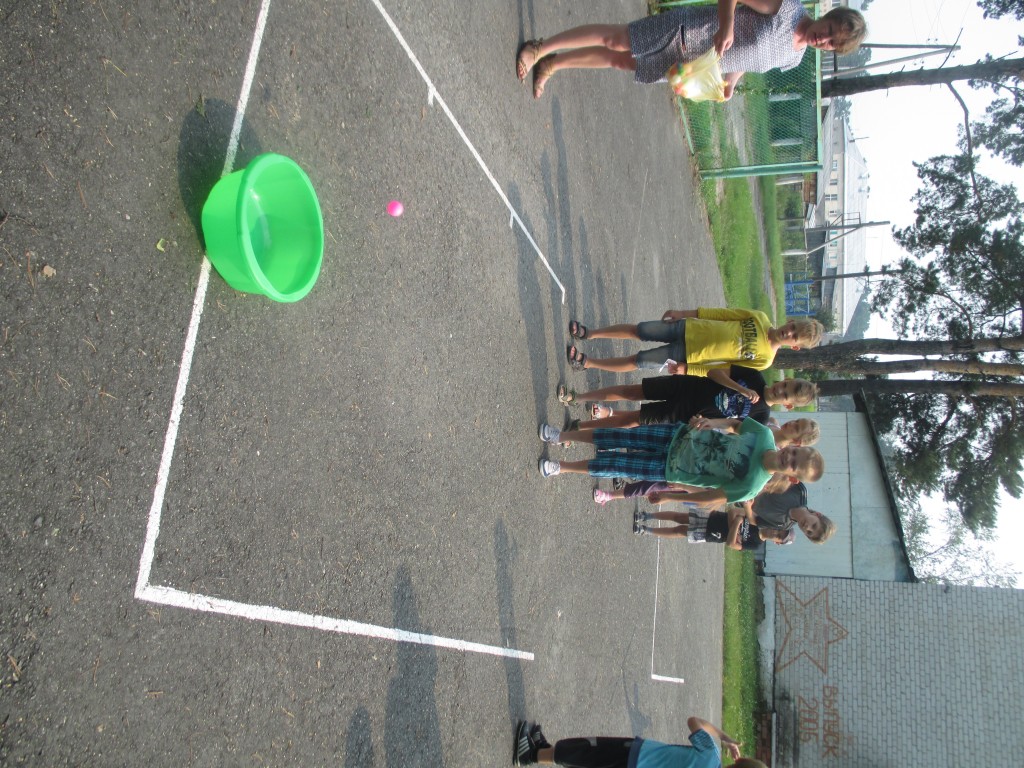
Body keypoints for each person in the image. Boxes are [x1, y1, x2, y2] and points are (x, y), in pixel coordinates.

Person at [515, 1, 866, 99]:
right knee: (618, 40)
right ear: (828, 16)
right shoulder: (787, 9)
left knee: (621, 62)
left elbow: (751, 57)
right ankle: (540, 48)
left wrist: (731, 82)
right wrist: (727, 24)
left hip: (691, 66)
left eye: (831, 44)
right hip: (688, 30)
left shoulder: (795, 57)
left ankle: (554, 65)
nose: (824, 40)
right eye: (829, 31)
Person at [537, 418, 825, 507]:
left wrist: (672, 493)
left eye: (794, 465)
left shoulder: (752, 485)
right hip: (679, 435)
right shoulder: (763, 435)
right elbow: (736, 425)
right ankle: (560, 436)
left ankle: (560, 467)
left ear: (792, 476)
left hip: (671, 469)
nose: (789, 458)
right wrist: (712, 422)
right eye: (794, 454)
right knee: (616, 435)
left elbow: (710, 496)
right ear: (794, 447)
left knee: (615, 465)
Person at [563, 311, 823, 383]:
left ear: (795, 346)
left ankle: (588, 363)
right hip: (688, 328)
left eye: (794, 338)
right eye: (793, 328)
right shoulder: (760, 318)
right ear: (791, 321)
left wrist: (688, 369)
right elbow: (722, 314)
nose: (789, 333)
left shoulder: (764, 360)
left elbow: (724, 369)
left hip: (688, 355)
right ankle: (591, 334)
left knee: (638, 361)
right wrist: (685, 313)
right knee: (639, 330)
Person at [556, 368, 818, 431]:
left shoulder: (761, 417)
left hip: (686, 412)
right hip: (686, 386)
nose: (781, 389)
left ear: (787, 405)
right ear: (785, 379)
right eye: (785, 384)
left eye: (786, 394)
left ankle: (581, 427)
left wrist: (709, 423)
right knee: (632, 392)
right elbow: (714, 373)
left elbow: (733, 427)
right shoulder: (755, 376)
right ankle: (578, 397)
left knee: (634, 420)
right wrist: (738, 388)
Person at [512, 717, 766, 767]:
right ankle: (543, 750)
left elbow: (693, 722)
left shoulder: (711, 755)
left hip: (636, 756)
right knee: (589, 759)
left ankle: (530, 756)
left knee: (588, 751)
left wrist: (724, 738)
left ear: (740, 760)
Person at [631, 505, 792, 546]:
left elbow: (731, 544)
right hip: (713, 517)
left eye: (779, 536)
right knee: (680, 517)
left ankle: (646, 530)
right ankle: (647, 516)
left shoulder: (756, 543)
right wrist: (734, 528)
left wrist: (736, 524)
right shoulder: (757, 520)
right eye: (779, 530)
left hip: (712, 534)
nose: (775, 533)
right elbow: (733, 511)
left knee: (679, 531)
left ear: (777, 542)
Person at [733, 481, 836, 544]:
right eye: (814, 525)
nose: (807, 527)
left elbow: (754, 521)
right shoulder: (800, 491)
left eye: (809, 533)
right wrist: (759, 490)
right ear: (817, 514)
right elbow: (779, 472)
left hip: (737, 496)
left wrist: (747, 506)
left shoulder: (783, 526)